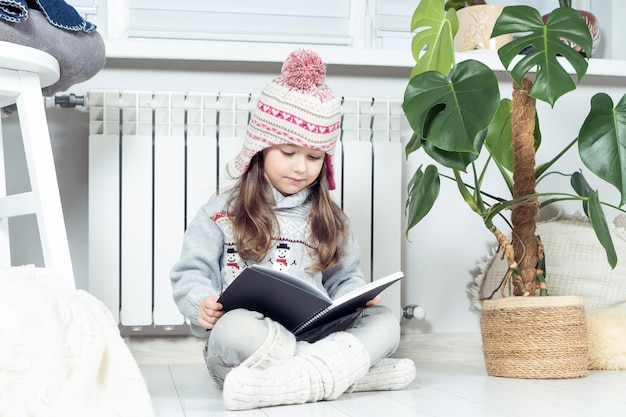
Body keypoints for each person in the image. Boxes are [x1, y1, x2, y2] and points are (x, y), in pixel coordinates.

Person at [170, 49, 415, 411]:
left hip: (316, 333)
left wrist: (357, 296)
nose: (301, 167)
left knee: (385, 321)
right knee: (232, 327)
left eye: (314, 157)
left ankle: (286, 384)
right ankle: (349, 375)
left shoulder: (332, 219)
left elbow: (344, 280)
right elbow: (191, 273)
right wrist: (200, 305)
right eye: (288, 152)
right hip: (247, 348)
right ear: (261, 148)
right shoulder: (221, 212)